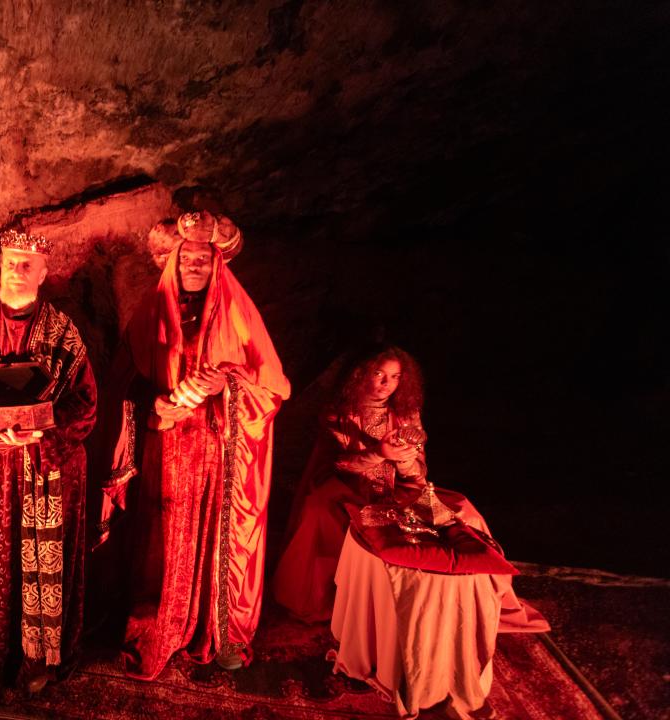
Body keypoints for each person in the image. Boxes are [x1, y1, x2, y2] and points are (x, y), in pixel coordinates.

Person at [102, 211, 290, 679]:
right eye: (187, 258)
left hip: (215, 451)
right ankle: (156, 621)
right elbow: (122, 379)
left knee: (212, 536)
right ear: (173, 261)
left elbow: (273, 387)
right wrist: (156, 403)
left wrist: (226, 381)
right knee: (159, 541)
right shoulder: (152, 310)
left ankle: (217, 629)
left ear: (217, 265)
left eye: (203, 260)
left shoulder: (239, 313)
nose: (194, 266)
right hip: (161, 448)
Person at [272, 345, 547, 631]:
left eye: (394, 377)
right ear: (359, 375)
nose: (385, 384)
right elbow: (341, 465)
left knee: (465, 512)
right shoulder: (338, 414)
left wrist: (404, 462)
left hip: (398, 492)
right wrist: (380, 453)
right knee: (319, 509)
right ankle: (338, 600)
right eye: (378, 374)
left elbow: (419, 472)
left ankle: (480, 597)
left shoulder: (406, 413)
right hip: (351, 490)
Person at [0, 229, 97, 692]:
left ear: (44, 272)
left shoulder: (65, 334)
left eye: (28, 263)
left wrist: (42, 427)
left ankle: (37, 659)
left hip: (41, 474)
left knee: (38, 564)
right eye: (11, 262)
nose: (17, 270)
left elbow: (86, 406)